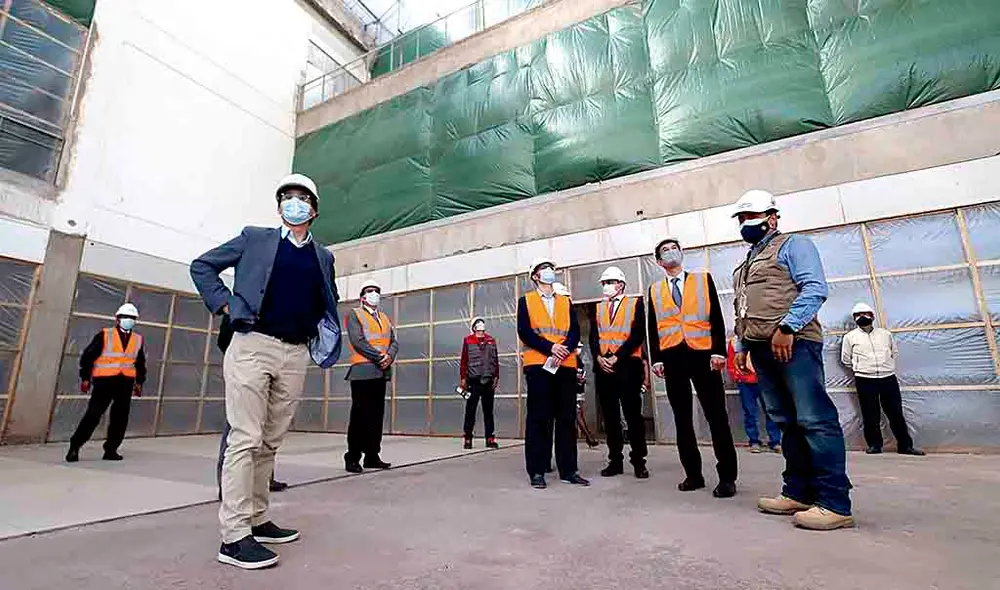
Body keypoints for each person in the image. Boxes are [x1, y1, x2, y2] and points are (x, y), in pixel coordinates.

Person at [191, 173, 342, 569]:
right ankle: (234, 536)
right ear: (279, 207)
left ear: (315, 208)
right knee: (245, 436)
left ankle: (257, 518)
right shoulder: (255, 237)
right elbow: (202, 266)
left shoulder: (323, 256)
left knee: (270, 442)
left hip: (295, 354)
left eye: (304, 198)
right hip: (252, 346)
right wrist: (226, 305)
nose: (296, 203)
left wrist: (322, 331)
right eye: (288, 198)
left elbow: (328, 297)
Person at [731, 188, 853, 531]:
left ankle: (834, 503)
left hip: (793, 344)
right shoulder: (748, 260)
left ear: (772, 218)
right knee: (786, 421)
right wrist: (742, 346)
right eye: (741, 219)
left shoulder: (795, 246)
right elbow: (745, 307)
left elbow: (815, 288)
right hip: (760, 348)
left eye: (751, 217)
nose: (745, 224)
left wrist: (788, 327)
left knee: (815, 419)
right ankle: (798, 492)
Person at [648, 237, 738, 498]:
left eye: (674, 248)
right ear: (658, 261)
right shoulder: (654, 290)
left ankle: (727, 477)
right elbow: (653, 326)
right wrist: (657, 358)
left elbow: (717, 317)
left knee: (716, 416)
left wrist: (719, 351)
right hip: (673, 356)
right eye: (665, 250)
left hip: (704, 355)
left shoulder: (702, 280)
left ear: (682, 253)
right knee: (682, 419)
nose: (671, 252)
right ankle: (694, 475)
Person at [517, 258, 590, 489]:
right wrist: (550, 348)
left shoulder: (565, 302)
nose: (549, 272)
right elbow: (525, 331)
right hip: (539, 364)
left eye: (551, 269)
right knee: (539, 418)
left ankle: (569, 470)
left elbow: (574, 331)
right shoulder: (525, 301)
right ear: (535, 277)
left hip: (565, 364)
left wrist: (564, 348)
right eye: (543, 269)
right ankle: (537, 471)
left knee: (567, 418)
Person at [215, 314, 288, 501]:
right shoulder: (240, 304)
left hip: (270, 370)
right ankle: (228, 486)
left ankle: (264, 480)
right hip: (246, 368)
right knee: (239, 429)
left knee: (267, 428)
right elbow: (224, 339)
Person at [841, 302, 924, 456]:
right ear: (854, 318)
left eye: (865, 313)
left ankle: (905, 446)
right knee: (870, 414)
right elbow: (846, 359)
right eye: (858, 315)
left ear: (872, 316)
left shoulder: (885, 334)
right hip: (865, 380)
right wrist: (862, 368)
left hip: (888, 378)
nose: (862, 317)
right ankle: (874, 445)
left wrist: (886, 366)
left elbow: (894, 352)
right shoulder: (850, 337)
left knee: (895, 413)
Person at [66, 303, 145, 463]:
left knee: (120, 418)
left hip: (125, 382)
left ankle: (111, 449)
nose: (129, 320)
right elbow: (88, 356)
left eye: (132, 318)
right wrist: (86, 378)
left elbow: (140, 363)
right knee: (93, 415)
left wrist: (139, 382)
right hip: (104, 382)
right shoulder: (105, 335)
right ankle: (75, 446)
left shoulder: (138, 339)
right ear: (117, 319)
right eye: (126, 317)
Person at [589, 266, 649, 479]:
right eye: (604, 283)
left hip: (627, 366)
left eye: (609, 283)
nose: (606, 287)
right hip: (604, 367)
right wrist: (598, 357)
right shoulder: (598, 308)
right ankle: (615, 460)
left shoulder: (635, 303)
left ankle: (639, 461)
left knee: (633, 416)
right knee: (611, 417)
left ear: (620, 284)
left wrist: (617, 357)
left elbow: (637, 334)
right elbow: (593, 337)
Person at [344, 279, 398, 473]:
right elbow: (358, 341)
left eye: (376, 290)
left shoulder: (384, 317)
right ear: (362, 296)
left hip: (381, 372)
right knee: (360, 416)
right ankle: (352, 457)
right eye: (369, 291)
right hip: (362, 372)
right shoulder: (354, 314)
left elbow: (394, 341)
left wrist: (389, 356)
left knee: (376, 416)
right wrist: (379, 357)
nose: (374, 293)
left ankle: (372, 456)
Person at [727, 335, 781, 453]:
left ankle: (775, 441)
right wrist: (738, 377)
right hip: (746, 383)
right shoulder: (734, 341)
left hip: (765, 380)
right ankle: (754, 441)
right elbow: (730, 361)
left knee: (771, 411)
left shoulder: (763, 335)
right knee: (750, 413)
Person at [460, 317, 500, 449]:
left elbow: (496, 358)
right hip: (474, 381)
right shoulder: (468, 340)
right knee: (470, 410)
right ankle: (468, 438)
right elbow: (464, 360)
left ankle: (490, 438)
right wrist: (463, 378)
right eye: (478, 323)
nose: (481, 325)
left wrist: (496, 376)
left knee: (488, 411)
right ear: (474, 327)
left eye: (482, 323)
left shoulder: (491, 340)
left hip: (488, 380)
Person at [573, 343, 600, 448]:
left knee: (578, 413)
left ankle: (588, 437)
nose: (579, 350)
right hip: (572, 391)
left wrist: (581, 379)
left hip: (579, 390)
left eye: (580, 347)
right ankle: (589, 437)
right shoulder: (570, 360)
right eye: (577, 347)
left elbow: (581, 373)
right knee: (577, 413)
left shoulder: (578, 360)